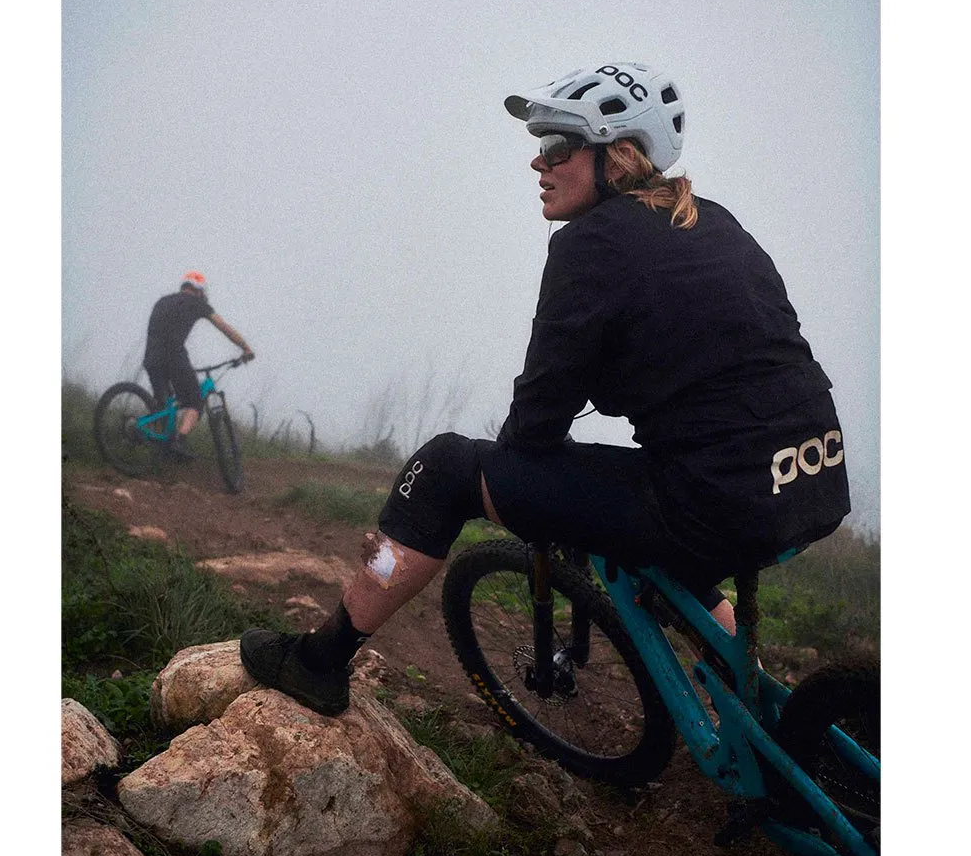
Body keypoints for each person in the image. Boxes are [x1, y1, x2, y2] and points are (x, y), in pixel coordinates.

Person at [240, 61, 850, 716]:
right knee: (664, 523)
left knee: (444, 468)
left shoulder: (591, 244)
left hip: (717, 504)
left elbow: (538, 418)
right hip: (811, 481)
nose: (539, 162)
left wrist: (528, 469)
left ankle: (319, 662)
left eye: (558, 146)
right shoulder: (712, 221)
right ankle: (759, 713)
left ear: (618, 156)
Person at [142, 271, 255, 459]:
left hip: (151, 357)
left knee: (165, 404)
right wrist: (246, 348)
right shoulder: (197, 303)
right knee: (194, 400)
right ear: (199, 290)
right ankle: (179, 441)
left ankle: (162, 448)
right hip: (173, 356)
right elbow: (224, 327)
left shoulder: (163, 301)